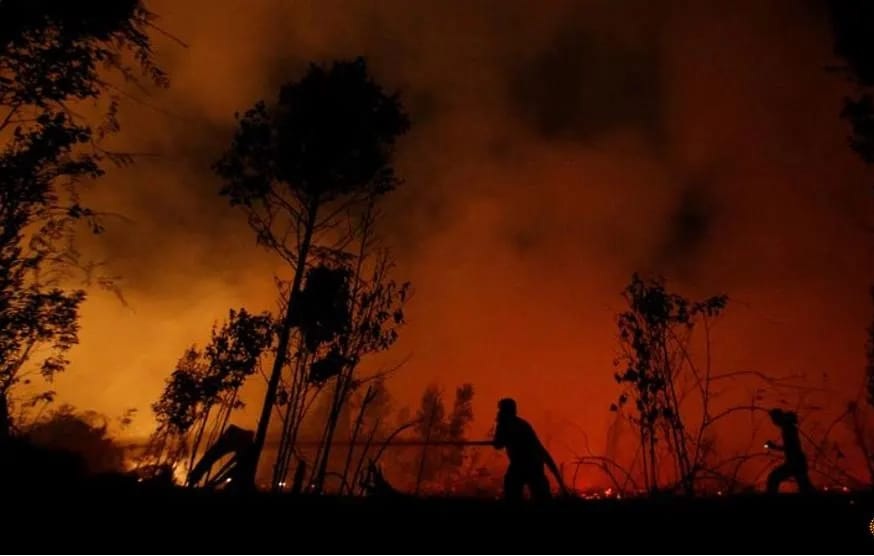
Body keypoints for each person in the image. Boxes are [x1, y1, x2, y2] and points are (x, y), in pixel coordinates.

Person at [492, 398, 568, 501]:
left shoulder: (507, 424)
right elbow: (499, 443)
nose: (499, 412)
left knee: (516, 493)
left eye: (501, 410)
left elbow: (498, 444)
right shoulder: (521, 424)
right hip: (530, 464)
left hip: (527, 465)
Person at [764, 408, 814, 494]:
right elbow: (791, 446)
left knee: (773, 478)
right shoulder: (789, 426)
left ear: (778, 418)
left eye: (773, 419)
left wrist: (774, 447)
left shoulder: (788, 427)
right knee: (805, 487)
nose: (773, 422)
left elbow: (791, 446)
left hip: (795, 462)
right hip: (798, 462)